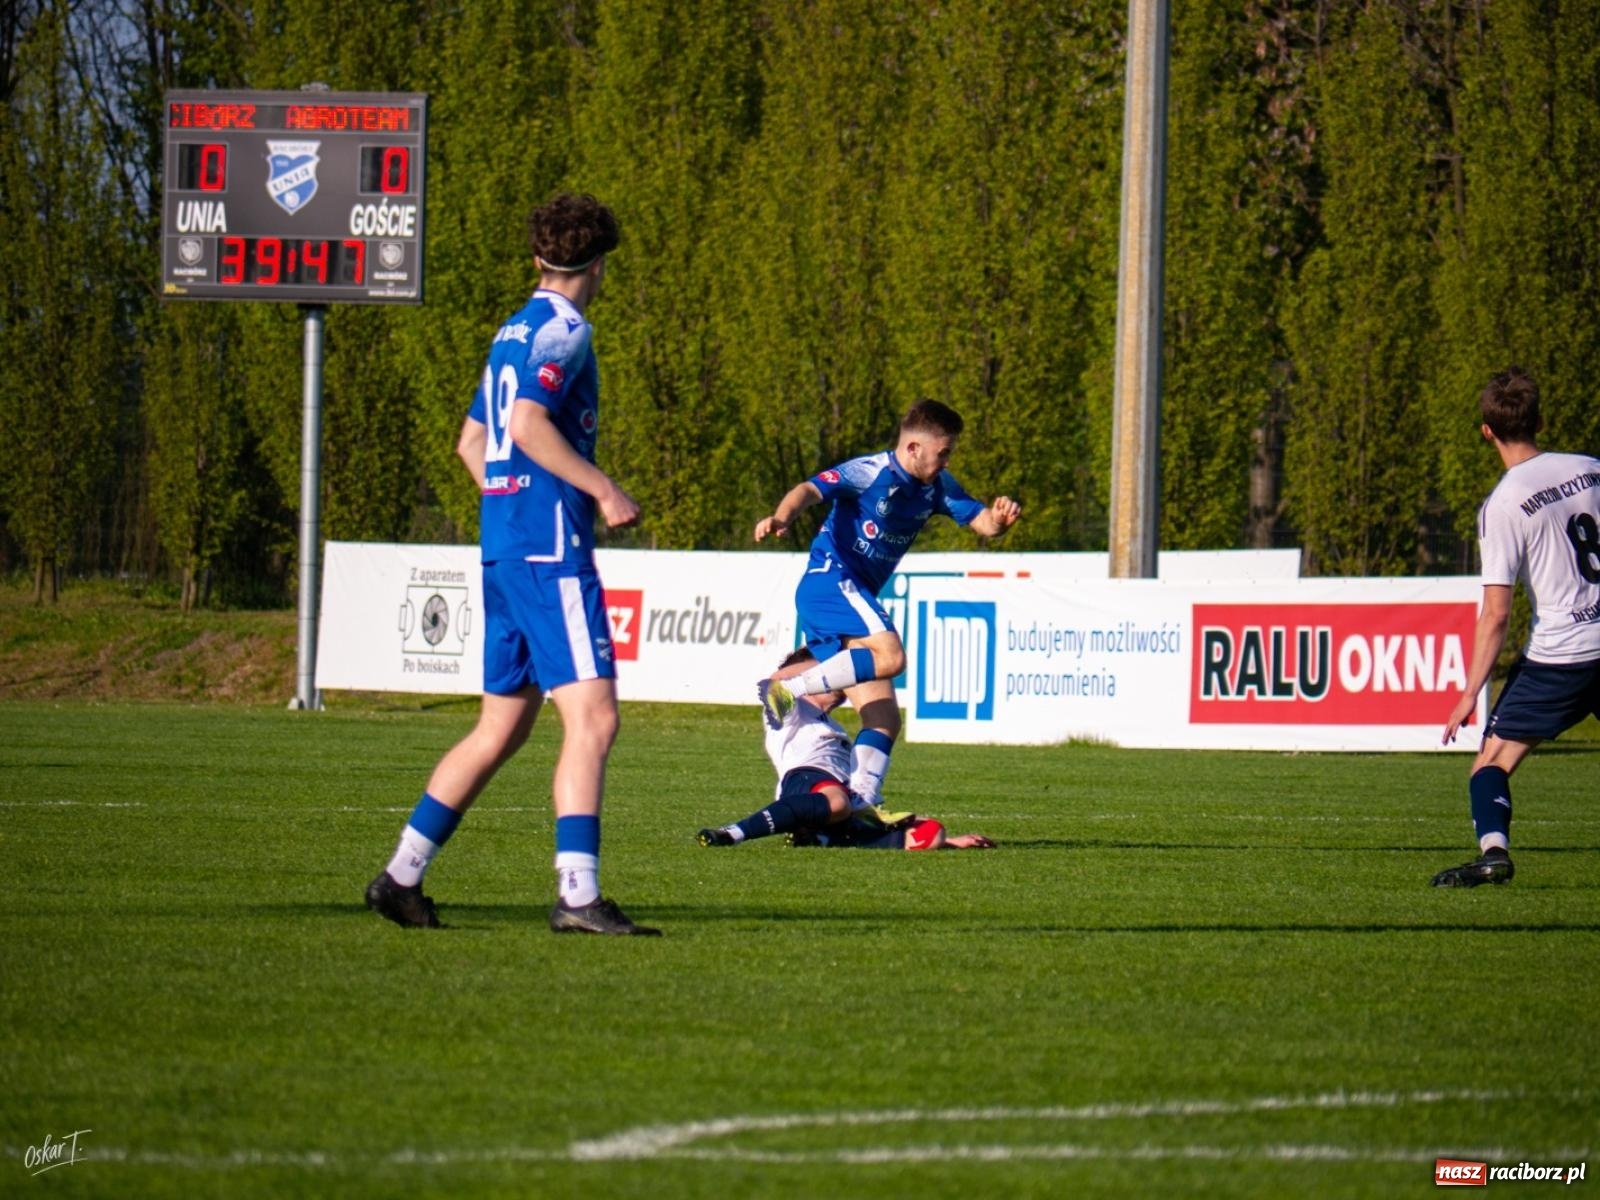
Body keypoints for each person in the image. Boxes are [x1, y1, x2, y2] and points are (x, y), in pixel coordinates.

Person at [366, 193, 660, 935]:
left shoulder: (511, 330)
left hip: (504, 548)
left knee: (500, 729)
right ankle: (578, 895)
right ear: (599, 265)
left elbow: (473, 443)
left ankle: (401, 877)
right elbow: (526, 425)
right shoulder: (566, 330)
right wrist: (601, 490)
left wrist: (510, 503)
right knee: (594, 718)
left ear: (537, 258)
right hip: (548, 552)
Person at [753, 400, 1021, 810]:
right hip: (830, 581)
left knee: (884, 719)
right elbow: (810, 489)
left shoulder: (938, 486)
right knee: (891, 656)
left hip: (849, 592)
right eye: (943, 452)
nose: (947, 461)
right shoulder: (870, 471)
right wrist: (782, 516)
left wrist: (999, 520)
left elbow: (982, 522)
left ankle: (861, 802)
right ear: (914, 448)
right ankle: (789, 689)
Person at [1434, 366, 1600, 887]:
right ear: (1540, 421)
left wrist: (1469, 693)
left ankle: (1493, 854)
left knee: (1491, 762)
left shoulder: (1503, 504)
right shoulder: (1592, 468)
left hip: (1562, 656)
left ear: (1487, 431)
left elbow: (1497, 613)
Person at [697, 648, 995, 851]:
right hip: (806, 780)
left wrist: (951, 843)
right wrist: (830, 656)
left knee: (932, 834)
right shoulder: (790, 710)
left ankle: (821, 837)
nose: (841, 679)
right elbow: (772, 683)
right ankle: (732, 833)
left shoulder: (833, 725)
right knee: (837, 803)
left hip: (842, 799)